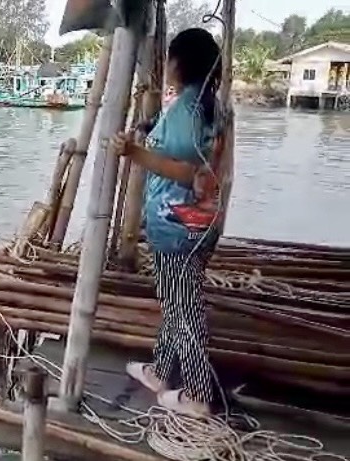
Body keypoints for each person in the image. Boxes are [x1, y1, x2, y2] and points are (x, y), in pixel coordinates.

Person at [110, 28, 223, 418]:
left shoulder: (188, 112)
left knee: (183, 311)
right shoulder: (206, 105)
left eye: (169, 57)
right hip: (198, 224)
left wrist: (134, 152)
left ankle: (197, 394)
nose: (165, 63)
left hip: (177, 226)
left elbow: (189, 172)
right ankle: (160, 371)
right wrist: (146, 130)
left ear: (179, 62)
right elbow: (177, 141)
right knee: (176, 301)